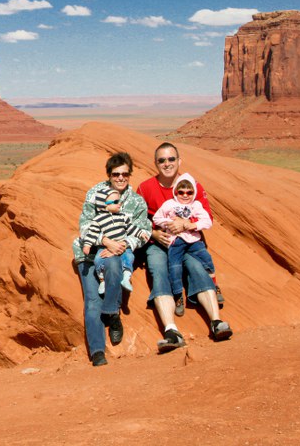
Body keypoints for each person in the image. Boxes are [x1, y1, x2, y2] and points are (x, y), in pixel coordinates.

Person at [136, 142, 233, 352]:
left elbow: (206, 215)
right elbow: (135, 219)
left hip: (187, 241)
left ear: (179, 161)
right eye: (162, 160)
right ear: (155, 163)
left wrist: (185, 224)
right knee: (158, 271)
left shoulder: (190, 186)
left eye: (171, 159)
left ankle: (216, 322)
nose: (167, 164)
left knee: (197, 268)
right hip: (158, 242)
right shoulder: (145, 188)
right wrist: (153, 233)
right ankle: (171, 331)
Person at [73, 152, 151, 366]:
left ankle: (112, 313)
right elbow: (85, 224)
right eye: (115, 174)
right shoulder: (95, 194)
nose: (120, 178)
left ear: (130, 175)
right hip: (88, 253)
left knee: (115, 262)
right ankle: (98, 351)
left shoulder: (136, 202)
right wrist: (105, 241)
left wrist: (125, 244)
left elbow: (144, 230)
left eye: (125, 174)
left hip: (118, 253)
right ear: (109, 174)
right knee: (91, 301)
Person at [152, 173, 221, 316]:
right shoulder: (169, 204)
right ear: (176, 192)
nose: (185, 195)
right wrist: (169, 223)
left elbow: (207, 221)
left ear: (193, 193)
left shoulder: (196, 205)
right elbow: (157, 218)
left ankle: (214, 285)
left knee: (206, 259)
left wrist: (190, 225)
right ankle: (178, 296)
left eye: (189, 192)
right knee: (175, 268)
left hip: (193, 240)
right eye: (181, 192)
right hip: (175, 242)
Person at [81, 189, 138, 295]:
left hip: (122, 244)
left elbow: (131, 228)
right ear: (104, 205)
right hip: (104, 248)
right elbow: (92, 234)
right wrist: (87, 245)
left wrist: (139, 233)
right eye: (116, 202)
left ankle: (126, 277)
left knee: (129, 256)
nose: (119, 204)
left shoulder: (122, 217)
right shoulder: (98, 220)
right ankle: (102, 280)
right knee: (98, 259)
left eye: (119, 201)